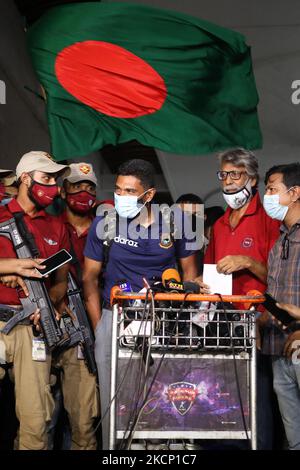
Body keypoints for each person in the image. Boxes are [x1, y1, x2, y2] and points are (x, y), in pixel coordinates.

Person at [83, 159, 200, 449]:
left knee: (163, 397)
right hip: (116, 318)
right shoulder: (105, 222)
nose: (121, 197)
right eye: (118, 190)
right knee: (115, 403)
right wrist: (101, 327)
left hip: (163, 322)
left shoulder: (176, 223)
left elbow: (190, 275)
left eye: (129, 191)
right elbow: (89, 279)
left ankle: (161, 450)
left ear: (148, 195)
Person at [203, 148, 281, 450]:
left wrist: (247, 261)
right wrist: (202, 282)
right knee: (223, 408)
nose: (228, 181)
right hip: (221, 328)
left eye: (235, 174)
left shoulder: (269, 218)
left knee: (258, 409)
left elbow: (279, 275)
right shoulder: (220, 223)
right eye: (224, 174)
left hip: (258, 326)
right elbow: (210, 272)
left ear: (252, 178)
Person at [0, 150, 70, 450]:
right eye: (46, 178)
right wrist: (12, 266)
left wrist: (49, 305)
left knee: (36, 418)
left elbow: (61, 282)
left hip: (32, 328)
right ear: (25, 178)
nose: (52, 185)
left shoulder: (56, 226)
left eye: (55, 179)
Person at [49, 162, 100, 450]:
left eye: (89, 186)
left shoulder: (107, 229)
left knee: (83, 419)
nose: (83, 191)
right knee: (43, 417)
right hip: (47, 327)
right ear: (63, 191)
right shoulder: (51, 226)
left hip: (86, 330)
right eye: (77, 185)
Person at [262, 162, 300, 450]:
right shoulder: (279, 242)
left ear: (295, 192)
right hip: (278, 348)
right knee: (293, 437)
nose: (267, 196)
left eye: (272, 189)